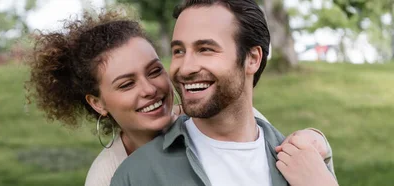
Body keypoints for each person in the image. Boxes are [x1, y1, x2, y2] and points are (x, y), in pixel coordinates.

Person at [25, 9, 333, 186]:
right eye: (126, 84)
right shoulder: (113, 176)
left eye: (154, 70)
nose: (150, 89)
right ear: (98, 102)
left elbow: (259, 130)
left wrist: (316, 140)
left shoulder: (215, 116)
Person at [110, 1, 337, 186]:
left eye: (205, 49)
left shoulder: (306, 164)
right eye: (179, 51)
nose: (185, 67)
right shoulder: (137, 175)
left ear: (252, 59)